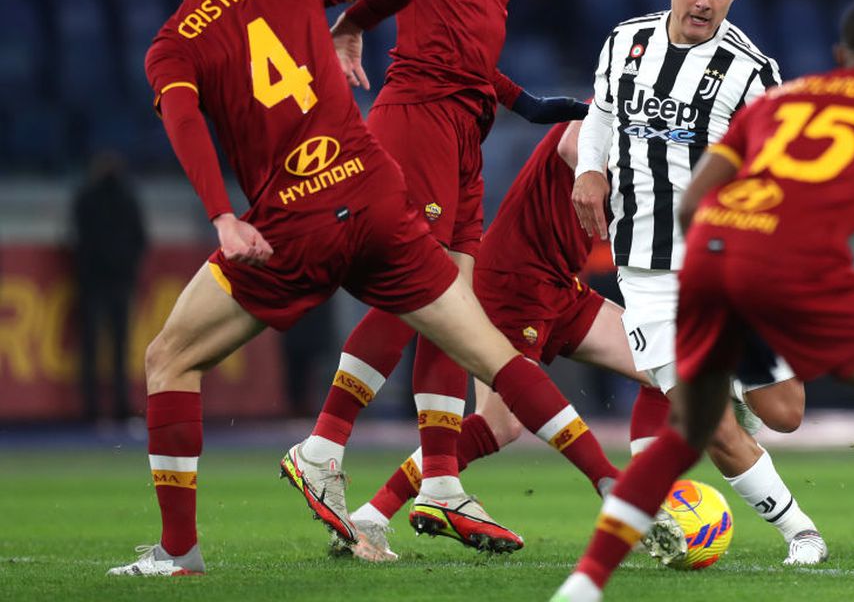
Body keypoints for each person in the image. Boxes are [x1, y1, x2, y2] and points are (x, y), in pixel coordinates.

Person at [108, 0, 609, 576]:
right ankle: (615, 488)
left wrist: (223, 215)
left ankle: (181, 552)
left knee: (169, 358)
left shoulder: (171, 44)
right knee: (492, 354)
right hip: (377, 198)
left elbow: (182, 122)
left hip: (295, 220)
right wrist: (342, 2)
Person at [551, 0, 854, 602]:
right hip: (787, 265)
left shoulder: (783, 97)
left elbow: (697, 203)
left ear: (838, 56)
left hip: (711, 255)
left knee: (728, 422)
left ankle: (584, 585)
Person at [256, 0, 589, 550]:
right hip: (416, 116)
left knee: (455, 303)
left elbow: (456, 39)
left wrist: (520, 99)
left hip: (467, 126)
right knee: (425, 289)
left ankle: (440, 482)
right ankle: (321, 449)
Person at [331, 120, 804, 562]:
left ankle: (646, 498)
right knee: (500, 426)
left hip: (560, 285)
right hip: (513, 285)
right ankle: (373, 516)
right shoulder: (611, 111)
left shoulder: (672, 140)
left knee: (658, 366)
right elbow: (571, 142)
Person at [570, 0, 827, 567]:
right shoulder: (624, 43)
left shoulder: (749, 73)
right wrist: (589, 170)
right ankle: (803, 534)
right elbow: (601, 111)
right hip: (648, 270)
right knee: (707, 418)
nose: (703, 1)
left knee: (786, 411)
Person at [72, 151, 146, 423]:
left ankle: (94, 409)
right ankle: (117, 407)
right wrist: (126, 267)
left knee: (97, 346)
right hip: (114, 283)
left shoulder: (87, 198)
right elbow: (140, 239)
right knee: (116, 346)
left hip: (96, 282)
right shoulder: (125, 199)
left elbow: (79, 240)